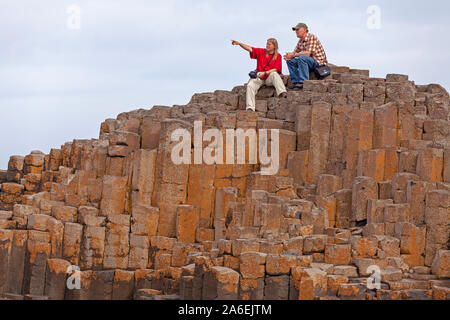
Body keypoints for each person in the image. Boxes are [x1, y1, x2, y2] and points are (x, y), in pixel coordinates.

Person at [232, 38, 287, 111]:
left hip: (268, 78)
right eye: (266, 44)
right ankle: (250, 108)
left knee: (274, 74)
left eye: (269, 44)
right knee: (250, 85)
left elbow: (276, 69)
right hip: (259, 77)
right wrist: (239, 43)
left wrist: (265, 73)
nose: (267, 45)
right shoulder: (261, 51)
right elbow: (249, 49)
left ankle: (282, 92)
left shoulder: (278, 56)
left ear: (274, 46)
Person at [283, 23, 328, 90]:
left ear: (304, 30)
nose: (296, 31)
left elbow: (307, 54)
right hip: (308, 61)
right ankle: (295, 82)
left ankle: (303, 82)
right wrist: (289, 56)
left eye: (298, 29)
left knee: (302, 58)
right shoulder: (300, 41)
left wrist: (293, 55)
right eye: (295, 30)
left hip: (318, 62)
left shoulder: (311, 37)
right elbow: (294, 52)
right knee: (290, 61)